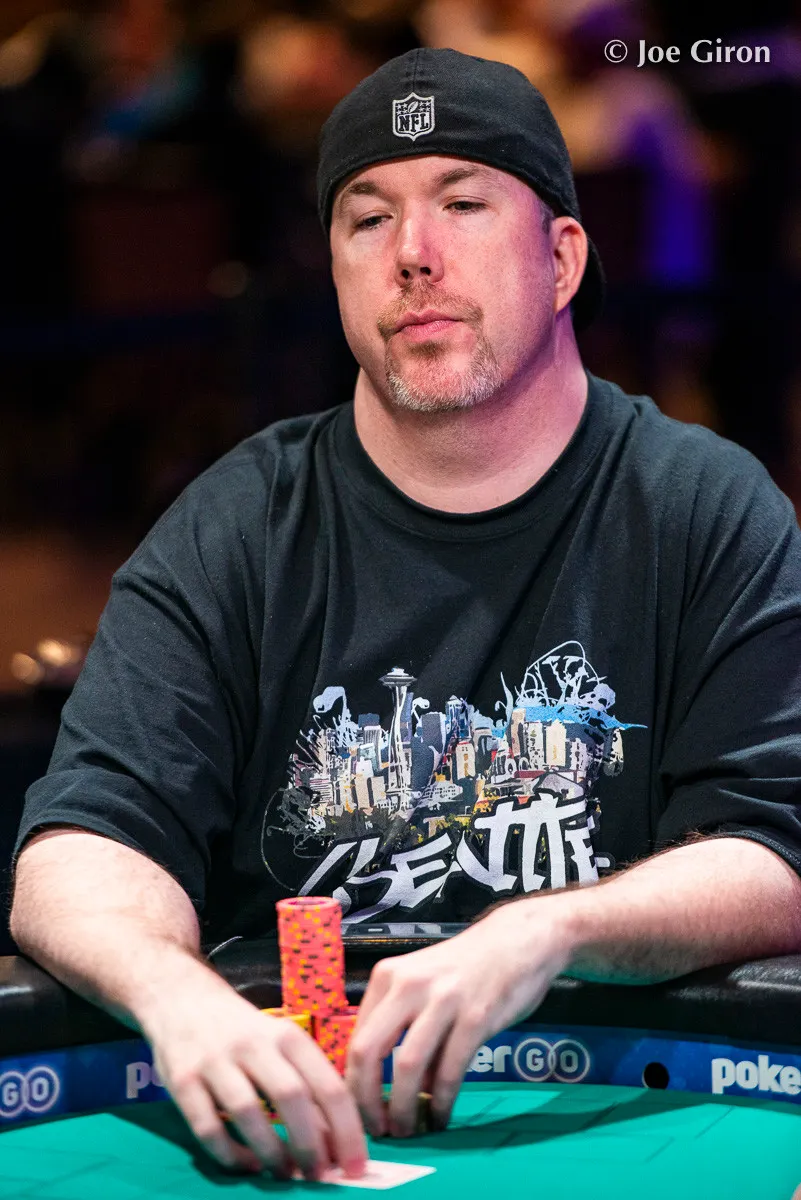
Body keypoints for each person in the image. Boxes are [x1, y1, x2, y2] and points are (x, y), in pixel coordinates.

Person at [10, 46, 801, 1178]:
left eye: (462, 204)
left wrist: (547, 927)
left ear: (562, 257)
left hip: (620, 1106)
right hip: (299, 1128)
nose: (414, 255)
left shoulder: (701, 508)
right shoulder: (239, 522)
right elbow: (83, 841)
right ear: (333, 268)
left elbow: (775, 853)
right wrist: (173, 996)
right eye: (368, 219)